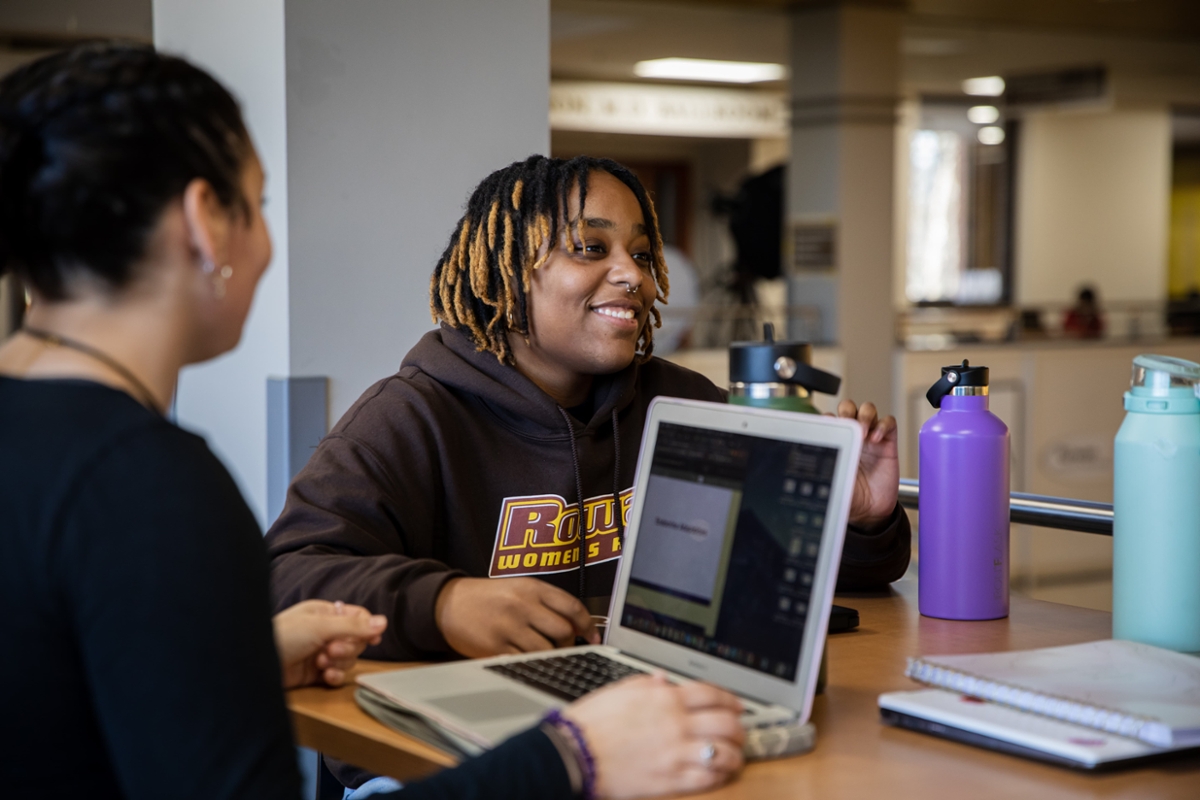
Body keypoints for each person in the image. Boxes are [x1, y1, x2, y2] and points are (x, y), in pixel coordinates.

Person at [0, 43, 746, 800]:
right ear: (204, 222)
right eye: (258, 207)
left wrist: (244, 658)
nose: (266, 244)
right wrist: (570, 759)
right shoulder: (146, 482)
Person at [266, 154, 910, 659]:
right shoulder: (409, 420)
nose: (636, 276)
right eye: (592, 248)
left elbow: (823, 587)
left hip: (638, 715)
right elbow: (284, 580)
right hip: (459, 743)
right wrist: (442, 605)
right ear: (510, 273)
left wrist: (856, 520)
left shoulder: (683, 404)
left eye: (640, 252)